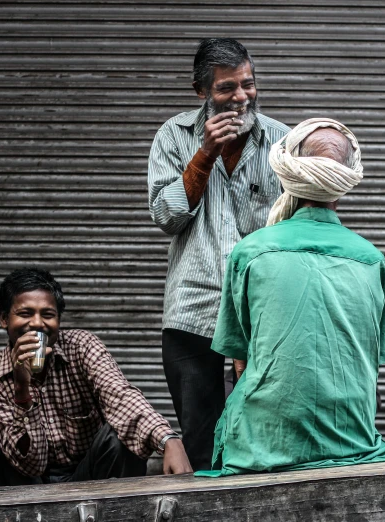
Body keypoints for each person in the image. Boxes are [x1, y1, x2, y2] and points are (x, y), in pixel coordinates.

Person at [198, 118, 385, 476]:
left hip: (264, 444)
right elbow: (369, 363)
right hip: (352, 441)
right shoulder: (372, 260)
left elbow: (241, 359)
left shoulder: (250, 252)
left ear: (287, 172)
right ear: (345, 181)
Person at [147, 38, 290, 470]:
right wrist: (205, 153)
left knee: (265, 431)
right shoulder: (173, 136)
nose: (242, 97)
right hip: (194, 311)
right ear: (201, 91)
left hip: (266, 313)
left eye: (248, 84)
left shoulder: (282, 141)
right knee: (201, 439)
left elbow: (297, 225)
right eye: (228, 88)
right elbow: (165, 216)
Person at [0, 268, 192, 489]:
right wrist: (23, 390)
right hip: (22, 483)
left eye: (48, 314)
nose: (37, 324)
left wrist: (168, 440)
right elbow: (32, 466)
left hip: (88, 478)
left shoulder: (82, 347)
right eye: (25, 313)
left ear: (59, 320)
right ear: (4, 319)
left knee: (121, 432)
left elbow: (120, 395)